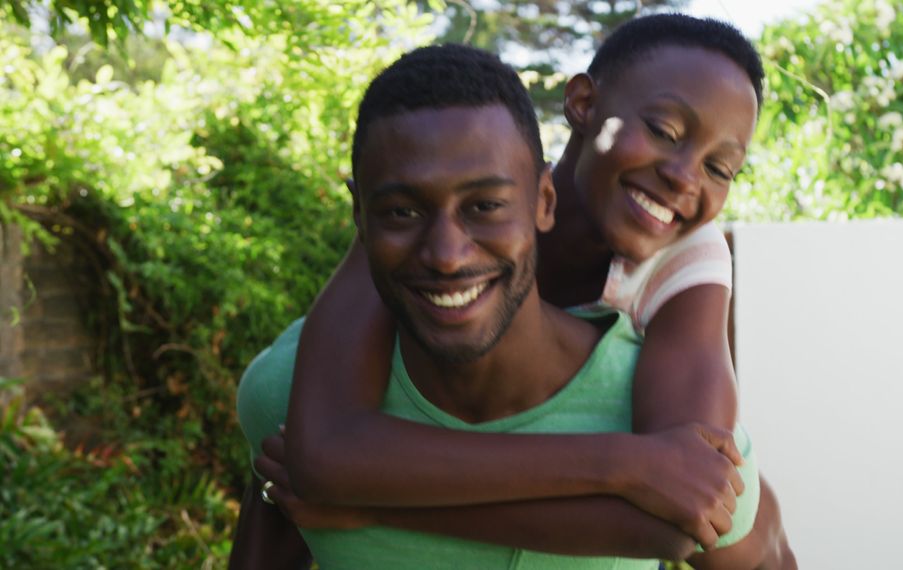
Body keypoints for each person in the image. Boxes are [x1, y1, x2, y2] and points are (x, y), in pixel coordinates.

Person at [232, 43, 784, 569]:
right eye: (663, 131)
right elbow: (319, 453)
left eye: (721, 168)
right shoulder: (451, 175)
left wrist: (378, 508)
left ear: (539, 202)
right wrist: (622, 465)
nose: (684, 176)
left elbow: (687, 500)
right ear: (583, 106)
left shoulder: (689, 252)